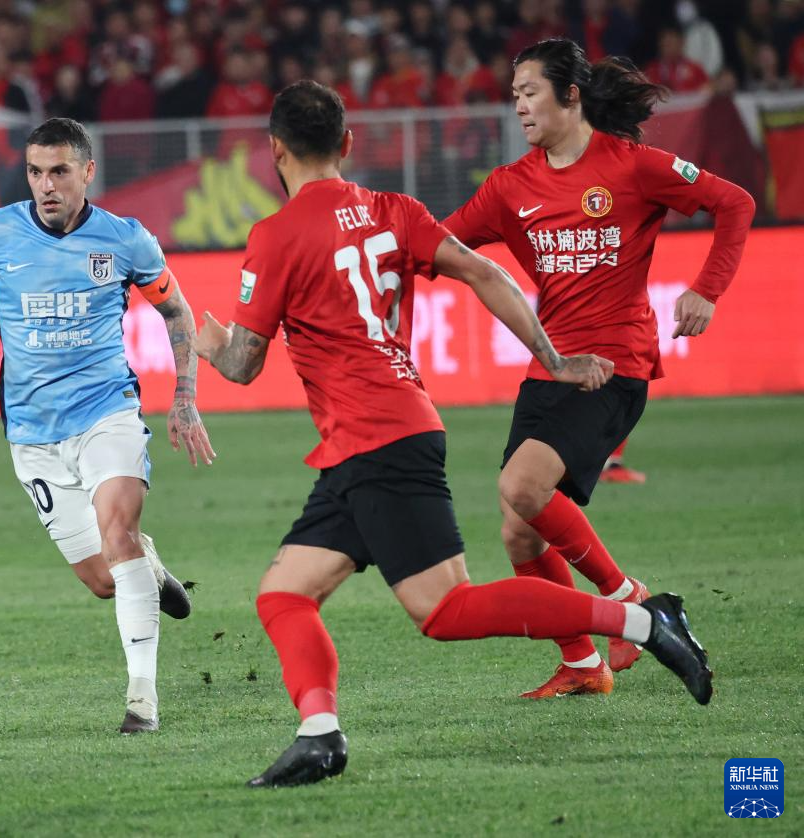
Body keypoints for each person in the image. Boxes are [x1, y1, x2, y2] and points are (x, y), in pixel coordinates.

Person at [193, 80, 712, 789]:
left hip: (376, 440)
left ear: (274, 150)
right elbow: (484, 271)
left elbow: (243, 365)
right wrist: (554, 357)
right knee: (283, 594)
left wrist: (203, 341)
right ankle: (319, 735)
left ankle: (644, 622)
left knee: (445, 609)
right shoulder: (395, 211)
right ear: (347, 143)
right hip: (372, 438)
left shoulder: (275, 236)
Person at [443, 39, 754, 699]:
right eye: (514, 94)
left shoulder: (633, 166)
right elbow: (440, 244)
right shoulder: (509, 186)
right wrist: (371, 251)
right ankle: (583, 664)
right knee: (518, 532)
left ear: (571, 95)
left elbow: (734, 203)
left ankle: (629, 598)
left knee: (522, 487)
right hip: (550, 370)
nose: (519, 106)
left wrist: (707, 288)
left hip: (614, 366)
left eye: (530, 92)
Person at [0, 117, 215, 734]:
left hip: (106, 411)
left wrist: (185, 396)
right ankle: (150, 567)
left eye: (59, 171)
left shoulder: (125, 240)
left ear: (88, 171)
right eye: (35, 172)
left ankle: (142, 701)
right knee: (105, 580)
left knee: (118, 535)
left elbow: (177, 312)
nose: (46, 185)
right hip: (32, 435)